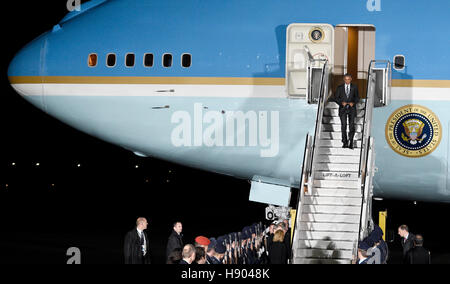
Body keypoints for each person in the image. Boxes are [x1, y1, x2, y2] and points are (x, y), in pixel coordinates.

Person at [331, 73, 360, 149]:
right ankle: (345, 142)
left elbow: (357, 98)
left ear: (351, 79)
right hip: (343, 109)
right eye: (346, 79)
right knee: (343, 126)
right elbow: (336, 98)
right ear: (344, 79)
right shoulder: (340, 88)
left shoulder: (354, 87)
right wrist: (341, 102)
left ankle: (351, 142)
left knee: (351, 126)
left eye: (348, 79)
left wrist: (353, 102)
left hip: (352, 109)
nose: (347, 81)